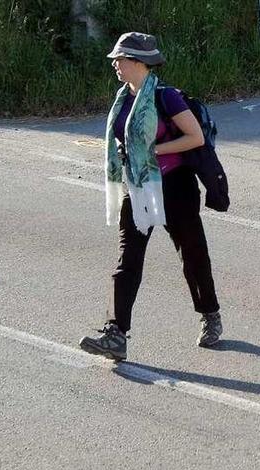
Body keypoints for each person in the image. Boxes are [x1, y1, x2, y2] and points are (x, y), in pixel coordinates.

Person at [79, 32, 223, 361]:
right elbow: (125, 137)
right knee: (128, 259)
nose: (115, 64)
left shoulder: (166, 96)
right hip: (140, 185)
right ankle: (116, 333)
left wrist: (152, 150)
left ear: (139, 63)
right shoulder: (123, 98)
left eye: (121, 59)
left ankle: (210, 314)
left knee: (193, 256)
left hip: (175, 186)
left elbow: (195, 137)